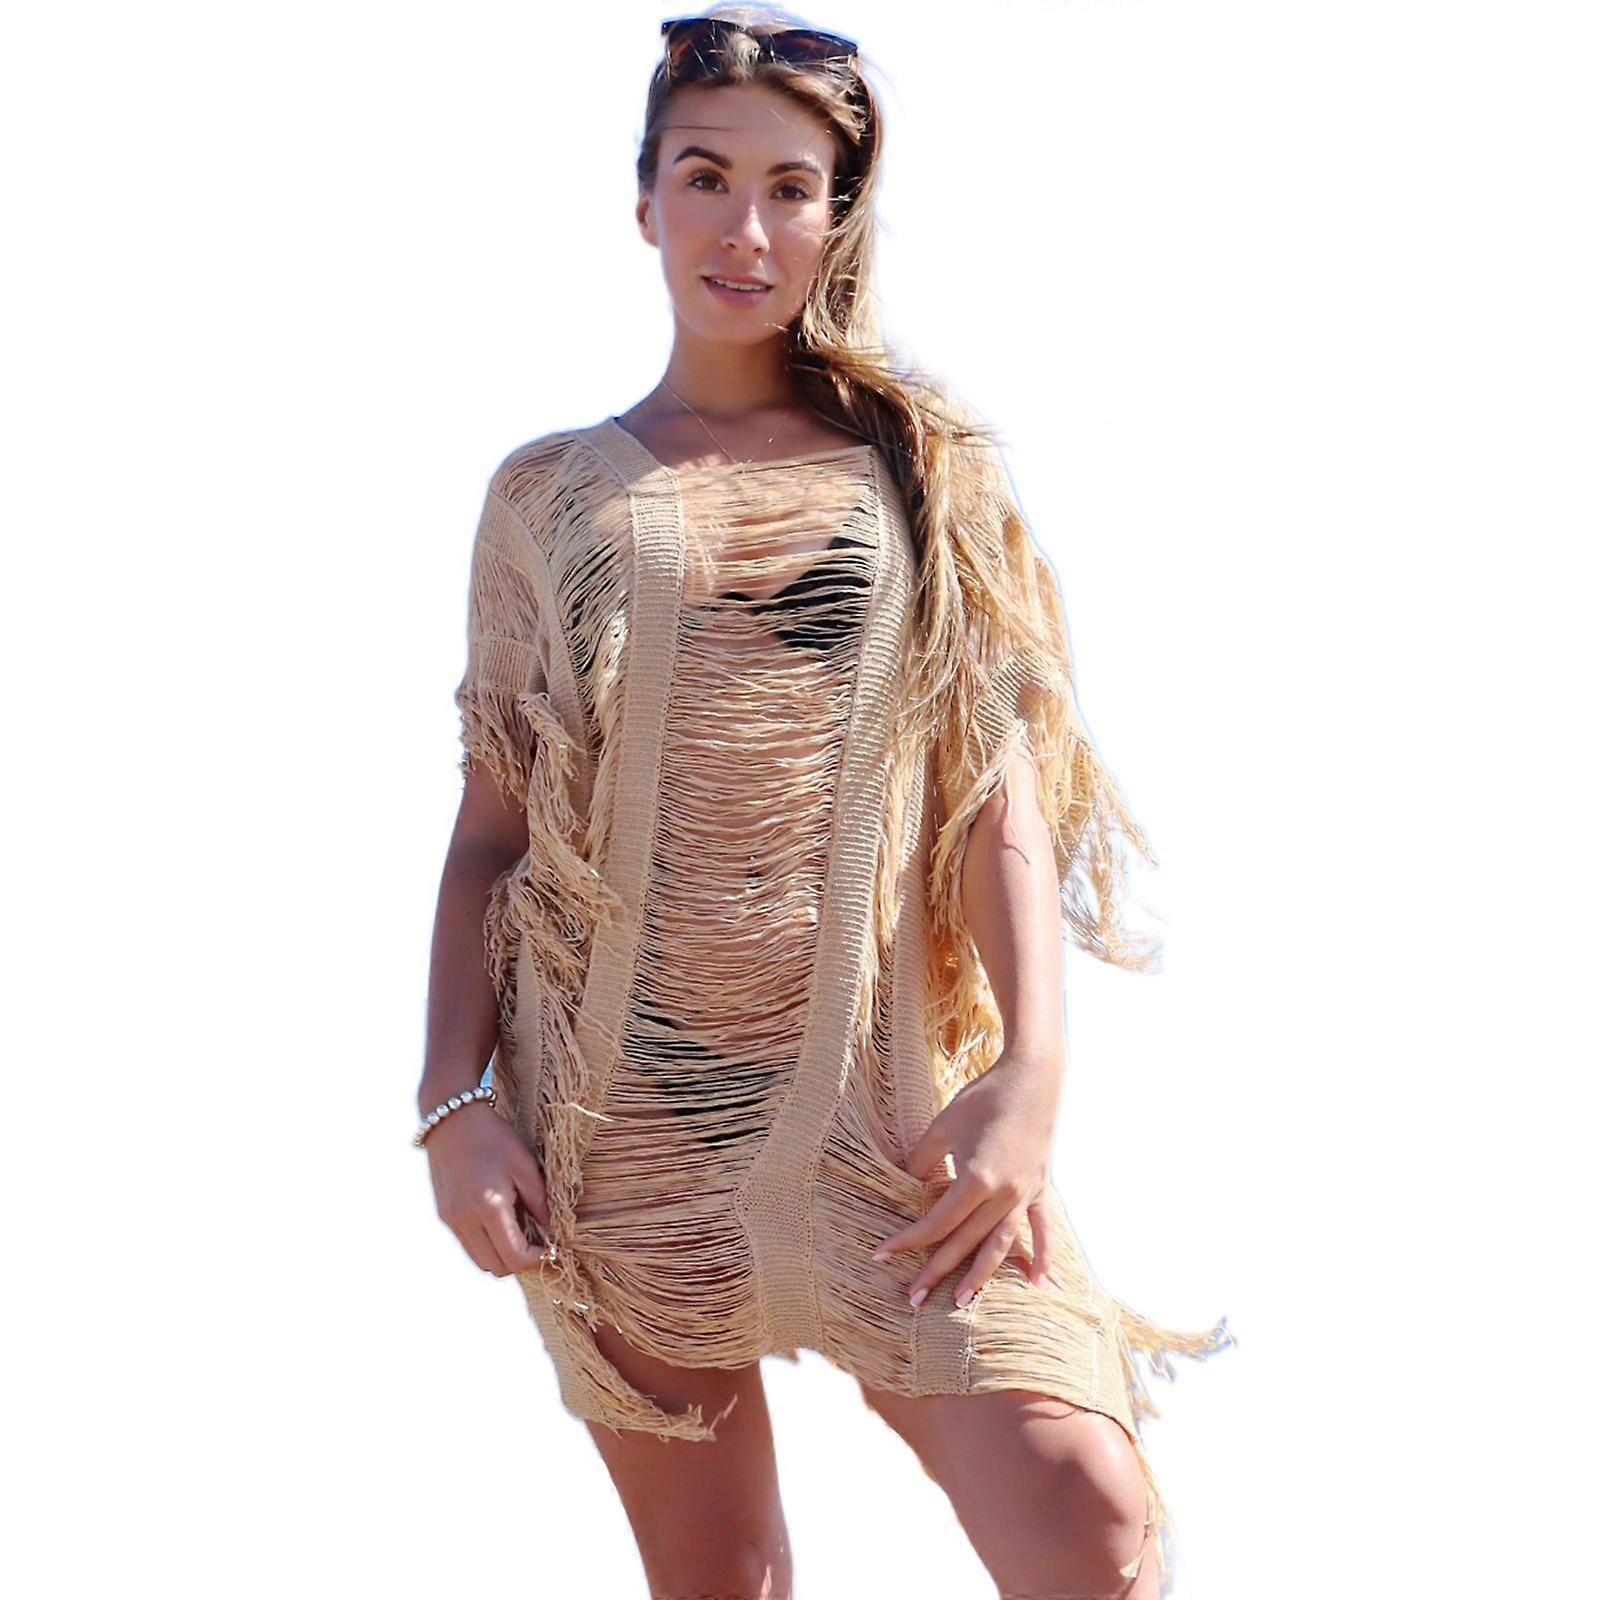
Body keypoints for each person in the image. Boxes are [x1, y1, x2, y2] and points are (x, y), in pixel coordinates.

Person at [416, 8, 1234, 1597]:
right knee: (724, 1577)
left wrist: (1032, 1075)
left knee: (1092, 1518)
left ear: (839, 215)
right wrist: (456, 1107)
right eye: (706, 178)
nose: (746, 228)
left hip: (889, 1102)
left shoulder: (921, 469)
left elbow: (991, 795)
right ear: (643, 200)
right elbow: (492, 838)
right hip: (625, 1116)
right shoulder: (546, 496)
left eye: (792, 189)